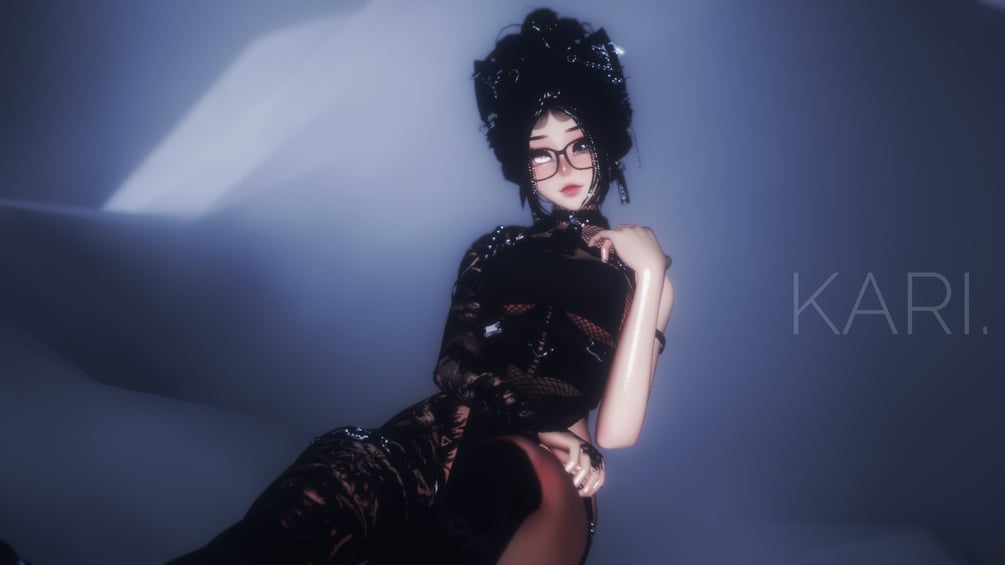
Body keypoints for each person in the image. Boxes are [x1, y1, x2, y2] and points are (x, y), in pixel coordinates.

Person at [168, 8, 673, 565]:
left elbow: (618, 432)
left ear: (603, 141)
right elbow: (453, 365)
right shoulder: (492, 249)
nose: (563, 166)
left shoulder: (639, 275)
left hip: (547, 471)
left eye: (578, 144)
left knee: (499, 478)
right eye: (541, 152)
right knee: (319, 492)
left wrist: (650, 274)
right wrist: (533, 421)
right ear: (522, 161)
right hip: (443, 434)